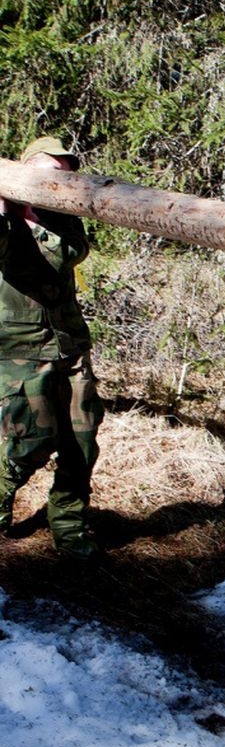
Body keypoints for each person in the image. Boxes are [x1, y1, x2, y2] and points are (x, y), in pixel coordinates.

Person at [0, 136, 104, 560]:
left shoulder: (62, 218)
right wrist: (11, 212)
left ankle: (70, 528)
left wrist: (39, 217)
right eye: (50, 173)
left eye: (65, 174)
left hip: (71, 349)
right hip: (20, 351)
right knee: (27, 444)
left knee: (81, 446)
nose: (58, 181)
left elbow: (70, 254)